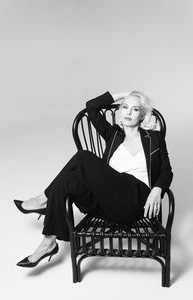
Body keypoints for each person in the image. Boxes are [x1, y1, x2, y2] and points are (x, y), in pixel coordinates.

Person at [14, 91, 173, 268]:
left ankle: (42, 200)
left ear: (142, 114)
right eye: (124, 107)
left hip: (137, 200)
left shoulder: (154, 138)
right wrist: (124, 94)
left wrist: (157, 189)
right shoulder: (113, 136)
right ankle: (49, 242)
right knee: (68, 180)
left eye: (135, 109)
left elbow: (167, 171)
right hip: (108, 206)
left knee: (82, 156)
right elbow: (91, 107)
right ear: (120, 111)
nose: (128, 112)